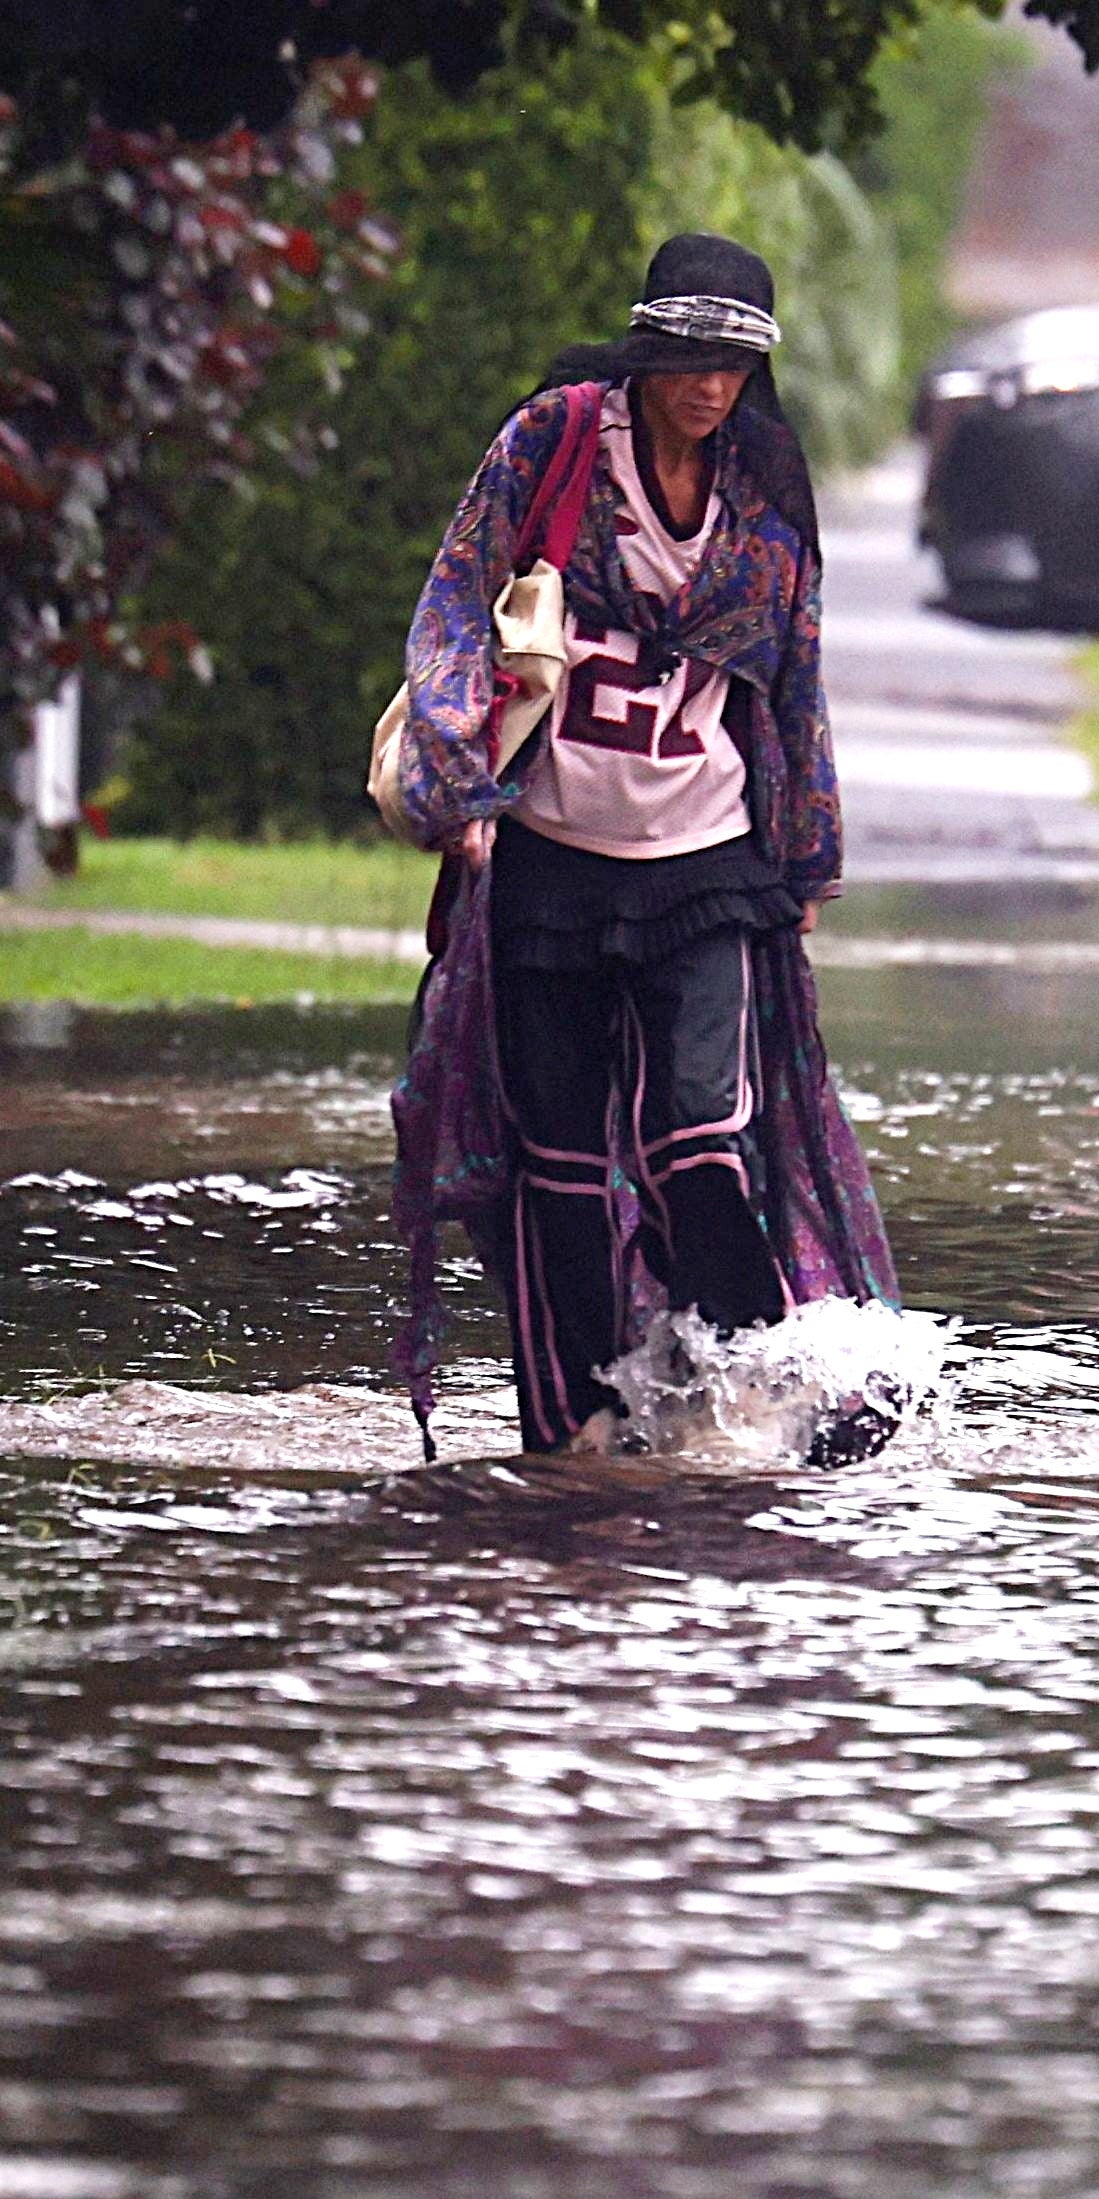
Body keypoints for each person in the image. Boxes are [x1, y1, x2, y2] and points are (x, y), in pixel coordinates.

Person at [386, 235, 899, 1457]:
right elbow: (457, 597)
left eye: (731, 363)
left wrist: (809, 854)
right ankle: (578, 1427)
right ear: (647, 348)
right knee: (556, 1165)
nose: (707, 386)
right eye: (687, 357)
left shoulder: (764, 486)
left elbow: (796, 669)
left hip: (707, 859)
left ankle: (760, 1396)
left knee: (699, 1145)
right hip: (551, 859)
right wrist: (457, 776)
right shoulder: (558, 441)